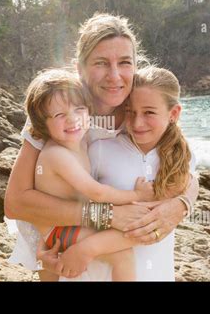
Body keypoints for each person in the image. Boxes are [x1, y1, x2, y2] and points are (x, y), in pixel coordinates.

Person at [4, 13, 199, 280]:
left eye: (125, 63)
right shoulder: (58, 112)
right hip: (69, 254)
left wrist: (182, 204)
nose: (115, 75)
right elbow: (17, 202)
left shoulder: (143, 109)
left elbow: (183, 161)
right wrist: (105, 215)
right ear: (79, 69)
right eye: (101, 63)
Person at [54, 66, 193, 280]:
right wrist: (82, 248)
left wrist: (89, 247)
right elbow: (68, 206)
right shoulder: (101, 150)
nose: (137, 123)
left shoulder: (182, 158)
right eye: (130, 111)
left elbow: (147, 226)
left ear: (173, 113)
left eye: (149, 112)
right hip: (95, 273)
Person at [22, 68, 155, 280]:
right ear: (42, 124)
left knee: (127, 237)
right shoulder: (57, 154)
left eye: (79, 109)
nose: (72, 119)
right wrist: (137, 196)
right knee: (123, 251)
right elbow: (98, 193)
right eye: (59, 115)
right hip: (57, 231)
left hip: (68, 223)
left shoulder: (80, 139)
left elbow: (113, 131)